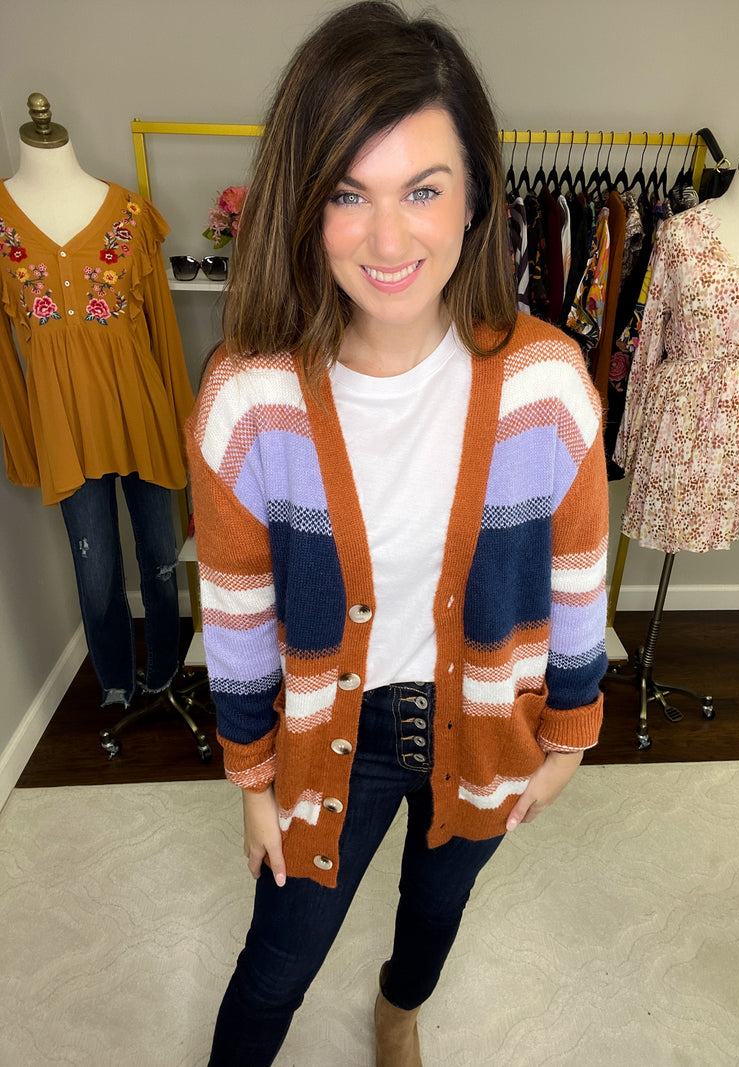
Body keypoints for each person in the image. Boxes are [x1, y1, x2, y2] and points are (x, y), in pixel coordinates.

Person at [186, 3, 608, 1063]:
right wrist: (251, 777)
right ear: (303, 200)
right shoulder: (249, 398)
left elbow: (575, 573)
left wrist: (570, 729)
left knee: (434, 912)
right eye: (348, 193)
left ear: (475, 197)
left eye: (423, 189)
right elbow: (235, 606)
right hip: (331, 729)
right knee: (273, 968)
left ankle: (400, 1007)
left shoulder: (547, 382)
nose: (387, 240)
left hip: (488, 714)